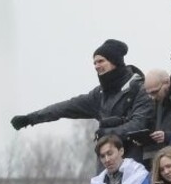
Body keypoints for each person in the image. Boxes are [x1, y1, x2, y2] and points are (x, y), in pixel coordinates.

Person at [10, 38, 154, 163]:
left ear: (115, 62)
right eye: (94, 63)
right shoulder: (99, 94)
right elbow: (66, 107)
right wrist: (30, 118)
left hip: (134, 163)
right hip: (105, 165)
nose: (97, 66)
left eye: (101, 61)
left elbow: (139, 124)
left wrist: (107, 133)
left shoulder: (140, 89)